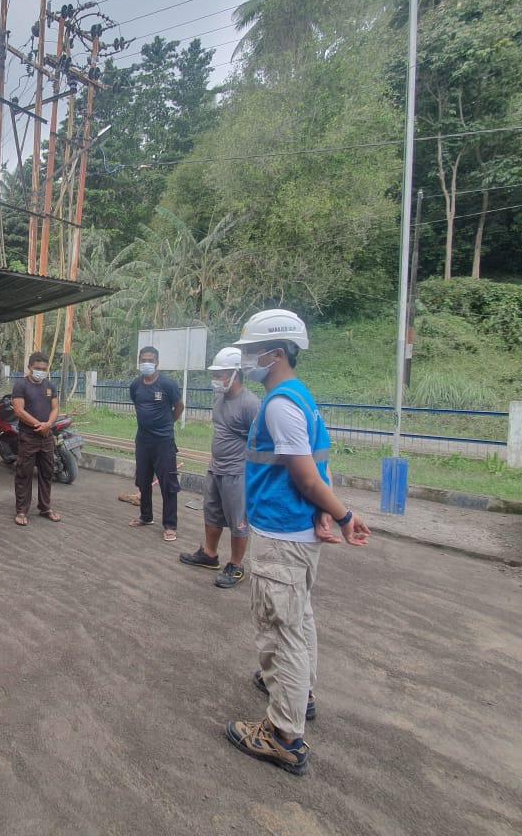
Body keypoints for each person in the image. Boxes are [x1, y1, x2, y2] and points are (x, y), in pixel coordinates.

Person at [223, 309, 370, 776]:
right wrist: (327, 510)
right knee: (298, 620)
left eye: (252, 352)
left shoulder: (280, 404)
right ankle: (298, 694)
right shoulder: (300, 398)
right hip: (297, 532)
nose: (247, 359)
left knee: (280, 630)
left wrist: (342, 513)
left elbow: (306, 475)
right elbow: (318, 466)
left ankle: (283, 736)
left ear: (278, 353)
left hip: (282, 536)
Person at [178, 347, 261, 588]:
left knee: (238, 520)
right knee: (211, 512)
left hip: (237, 472)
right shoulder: (220, 400)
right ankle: (210, 554)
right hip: (216, 469)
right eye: (216, 374)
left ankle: (236, 564)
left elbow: (259, 443)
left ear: (236, 374)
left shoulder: (251, 404)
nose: (217, 379)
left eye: (222, 374)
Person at [128, 345, 184, 541]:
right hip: (143, 441)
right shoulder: (135, 385)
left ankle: (170, 525)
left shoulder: (168, 384)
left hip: (164, 443)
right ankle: (145, 516)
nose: (146, 363)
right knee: (143, 481)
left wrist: (168, 424)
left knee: (168, 484)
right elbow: (138, 405)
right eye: (143, 359)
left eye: (150, 360)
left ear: (157, 362)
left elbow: (179, 406)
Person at [11, 351, 61, 526]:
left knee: (47, 473)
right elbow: (19, 411)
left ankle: (45, 507)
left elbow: (55, 408)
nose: (41, 371)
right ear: (30, 367)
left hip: (47, 436)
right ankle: (22, 511)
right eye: (37, 368)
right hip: (28, 437)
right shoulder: (20, 385)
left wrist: (48, 425)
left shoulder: (50, 386)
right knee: (24, 474)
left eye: (44, 368)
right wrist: (39, 425)